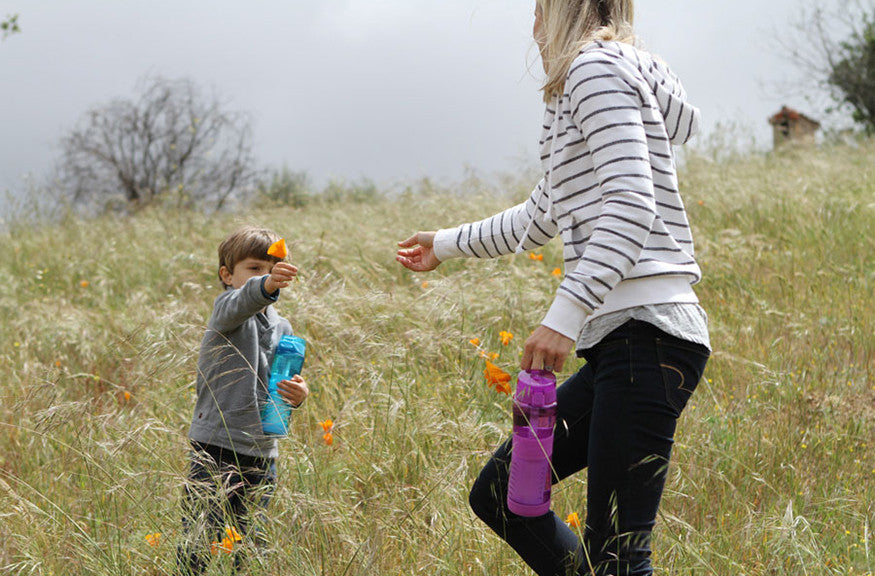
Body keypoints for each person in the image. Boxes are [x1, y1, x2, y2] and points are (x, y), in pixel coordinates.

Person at [396, 1, 709, 574]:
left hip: (648, 337)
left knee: (617, 555)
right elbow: (540, 215)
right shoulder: (589, 84)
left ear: (561, 12)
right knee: (502, 494)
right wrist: (443, 243)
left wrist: (563, 316)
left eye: (539, 11)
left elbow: (632, 202)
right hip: (626, 342)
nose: (533, 27)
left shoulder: (595, 71)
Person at [177, 226, 309, 575]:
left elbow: (280, 381)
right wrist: (265, 286)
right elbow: (244, 301)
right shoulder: (227, 310)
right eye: (254, 268)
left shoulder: (284, 328)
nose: (265, 275)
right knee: (199, 539)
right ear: (227, 275)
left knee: (252, 544)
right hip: (216, 444)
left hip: (263, 451)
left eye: (271, 268)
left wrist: (298, 394)